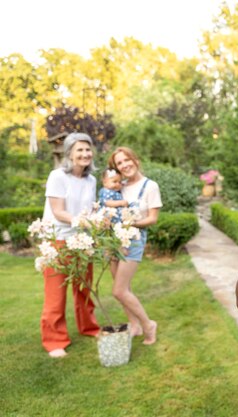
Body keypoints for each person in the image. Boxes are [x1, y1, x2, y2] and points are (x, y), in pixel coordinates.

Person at [41, 132, 100, 358]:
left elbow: (90, 209)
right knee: (56, 292)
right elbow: (58, 211)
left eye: (88, 149)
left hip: (83, 241)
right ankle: (54, 340)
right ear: (69, 154)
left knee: (84, 289)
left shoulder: (91, 179)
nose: (85, 154)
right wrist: (83, 221)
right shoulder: (57, 176)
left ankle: (89, 327)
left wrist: (96, 222)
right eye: (80, 150)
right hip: (58, 240)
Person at [107, 147, 160, 345]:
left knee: (119, 291)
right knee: (124, 287)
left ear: (135, 159)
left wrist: (131, 224)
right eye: (119, 163)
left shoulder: (150, 186)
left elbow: (152, 219)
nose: (124, 165)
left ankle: (148, 324)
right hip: (113, 241)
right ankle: (134, 325)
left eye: (126, 160)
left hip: (133, 240)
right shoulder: (119, 187)